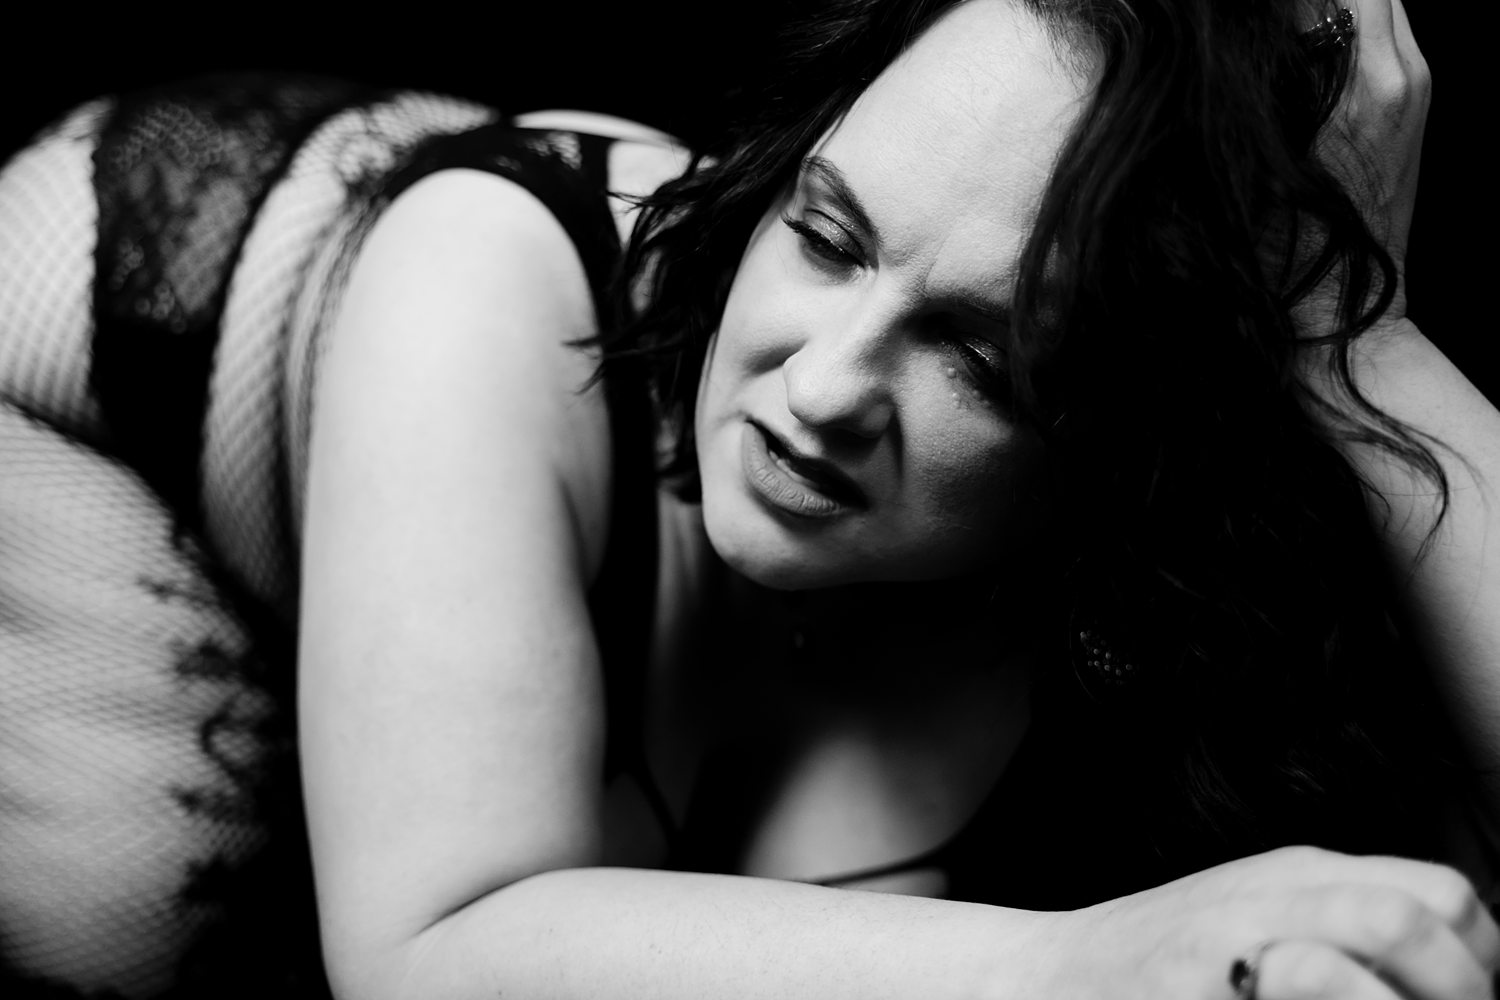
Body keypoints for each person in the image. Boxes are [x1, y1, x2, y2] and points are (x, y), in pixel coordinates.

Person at [1, 1, 1496, 999]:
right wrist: (1079, 964)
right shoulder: (490, 271)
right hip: (81, 379)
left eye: (982, 358)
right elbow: (427, 954)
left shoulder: (1141, 579)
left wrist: (1358, 345)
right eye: (828, 236)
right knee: (135, 897)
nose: (822, 383)